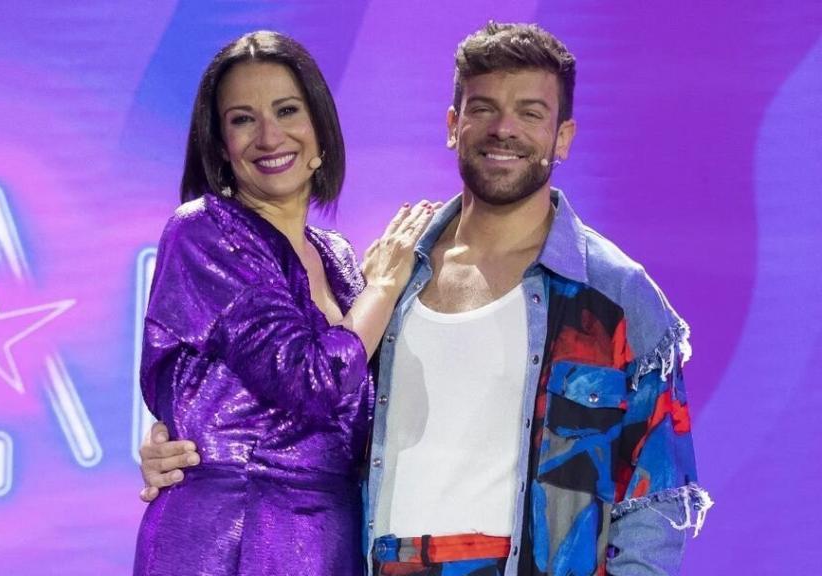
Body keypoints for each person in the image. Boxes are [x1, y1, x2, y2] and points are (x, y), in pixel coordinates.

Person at [141, 22, 713, 576]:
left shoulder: (613, 292)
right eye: (483, 108)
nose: (503, 129)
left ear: (562, 135)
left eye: (530, 113)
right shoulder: (393, 276)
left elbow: (658, 491)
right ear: (452, 124)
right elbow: (312, 401)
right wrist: (193, 446)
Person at [132, 31, 435, 576]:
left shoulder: (340, 259)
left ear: (320, 131)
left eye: (287, 110)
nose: (269, 136)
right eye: (242, 119)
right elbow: (311, 379)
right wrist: (385, 288)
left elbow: (375, 418)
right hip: (227, 535)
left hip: (330, 535)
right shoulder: (206, 232)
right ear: (221, 145)